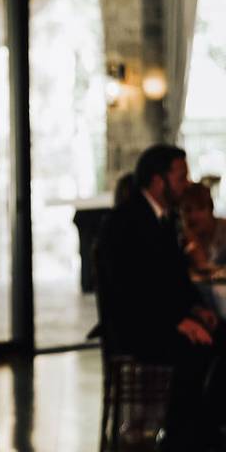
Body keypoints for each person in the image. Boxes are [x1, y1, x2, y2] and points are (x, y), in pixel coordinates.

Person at [97, 144, 223, 449]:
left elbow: (173, 280)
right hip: (135, 328)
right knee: (197, 350)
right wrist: (178, 322)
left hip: (158, 320)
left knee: (219, 334)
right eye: (181, 177)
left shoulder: (163, 218)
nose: (187, 183)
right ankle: (184, 436)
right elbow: (129, 291)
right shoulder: (125, 222)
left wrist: (195, 309)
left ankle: (204, 429)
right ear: (158, 181)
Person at [181, 181, 226, 274]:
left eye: (200, 208)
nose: (193, 216)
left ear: (211, 209)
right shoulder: (181, 238)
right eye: (188, 210)